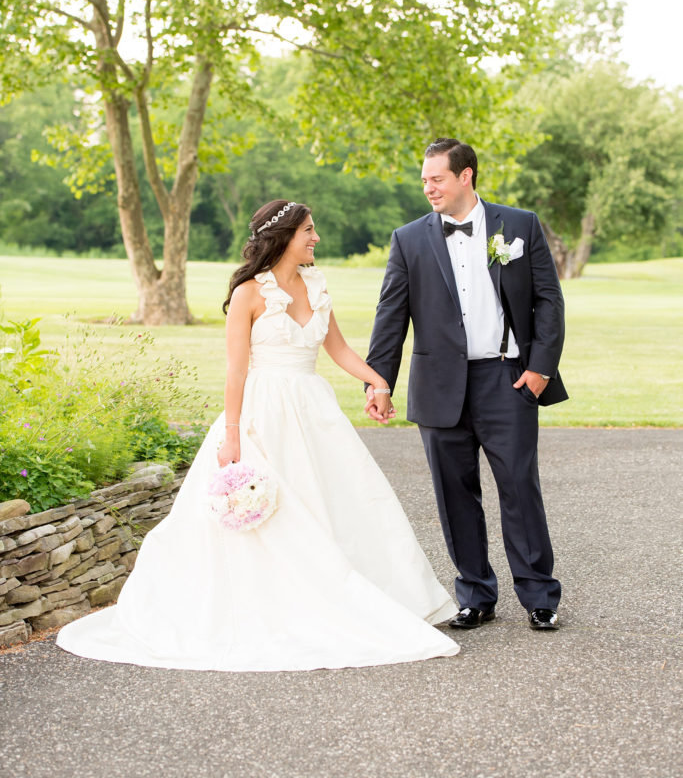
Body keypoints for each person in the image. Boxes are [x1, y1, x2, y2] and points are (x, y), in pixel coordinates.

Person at [57, 199, 460, 671]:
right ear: (284, 236)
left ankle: (348, 597)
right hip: (261, 414)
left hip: (313, 412)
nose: (315, 239)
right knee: (274, 517)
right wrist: (232, 435)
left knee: (337, 505)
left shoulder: (316, 282)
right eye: (308, 230)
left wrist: (376, 380)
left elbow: (337, 348)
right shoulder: (249, 293)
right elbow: (235, 371)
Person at [365, 139, 567, 632]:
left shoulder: (519, 225)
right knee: (454, 494)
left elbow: (549, 302)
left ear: (466, 176)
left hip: (507, 378)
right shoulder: (408, 239)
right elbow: (391, 316)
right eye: (424, 180)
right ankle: (475, 594)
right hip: (438, 385)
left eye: (437, 178)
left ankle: (539, 596)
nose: (428, 188)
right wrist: (379, 381)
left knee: (519, 488)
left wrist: (539, 369)